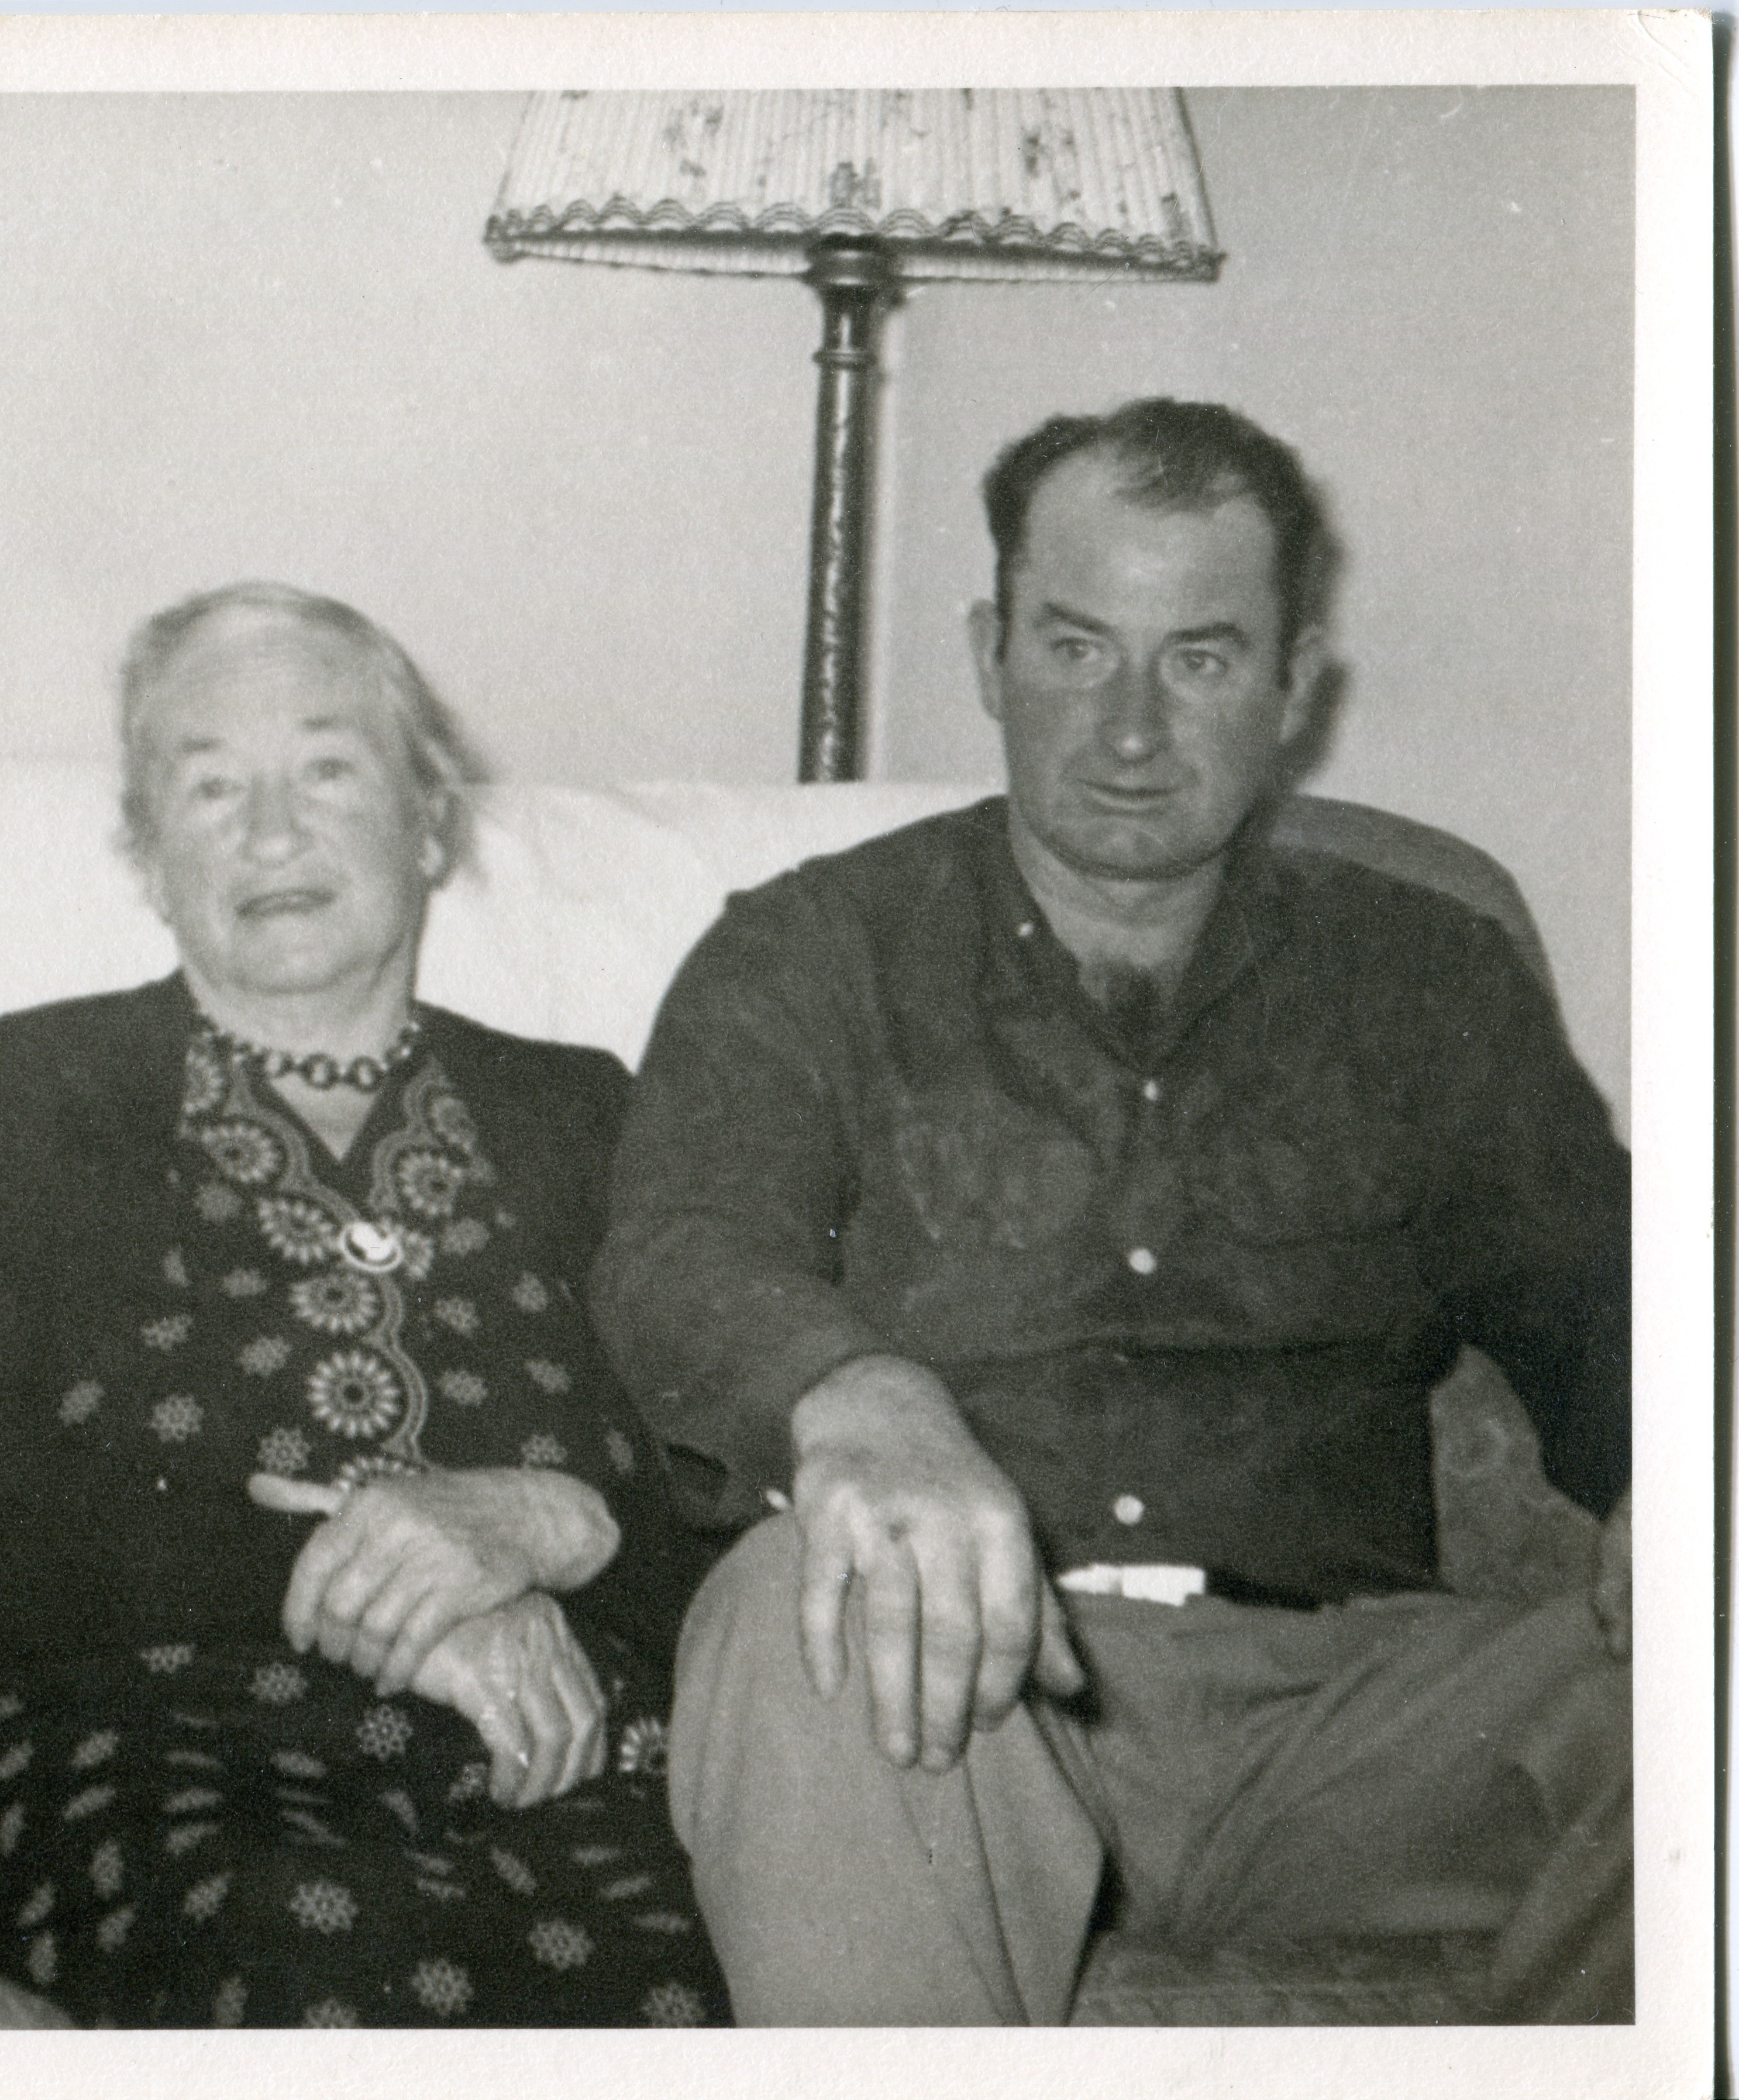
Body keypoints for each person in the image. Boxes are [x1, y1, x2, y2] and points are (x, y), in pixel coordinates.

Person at [594, 400, 1631, 2026]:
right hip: (958, 1696)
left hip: (1359, 1723)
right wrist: (857, 1396)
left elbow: (1610, 1301)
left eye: (1199, 659)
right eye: (1075, 648)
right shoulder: (811, 950)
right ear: (988, 651)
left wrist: (1681, 1469)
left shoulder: (1429, 980)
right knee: (807, 1611)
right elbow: (682, 1242)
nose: (1129, 728)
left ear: (1294, 688)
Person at [0, 582, 728, 2027]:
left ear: (426, 820)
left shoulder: (583, 1113)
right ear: (150, 856)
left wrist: (564, 1520)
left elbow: (731, 1499)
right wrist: (379, 1599)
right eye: (210, 787)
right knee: (312, 1955)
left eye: (326, 769)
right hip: (155, 1756)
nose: (270, 832)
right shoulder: (28, 1088)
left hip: (575, 1751)